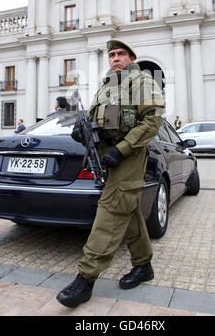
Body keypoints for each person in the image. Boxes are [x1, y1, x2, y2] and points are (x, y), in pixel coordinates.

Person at [56, 39, 165, 309]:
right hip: (106, 155)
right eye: (112, 55)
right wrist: (80, 131)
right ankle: (143, 266)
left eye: (121, 54)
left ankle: (86, 278)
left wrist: (121, 149)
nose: (115, 58)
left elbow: (152, 122)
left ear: (131, 57)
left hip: (129, 154)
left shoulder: (143, 82)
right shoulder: (106, 87)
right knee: (127, 209)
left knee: (113, 208)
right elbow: (95, 121)